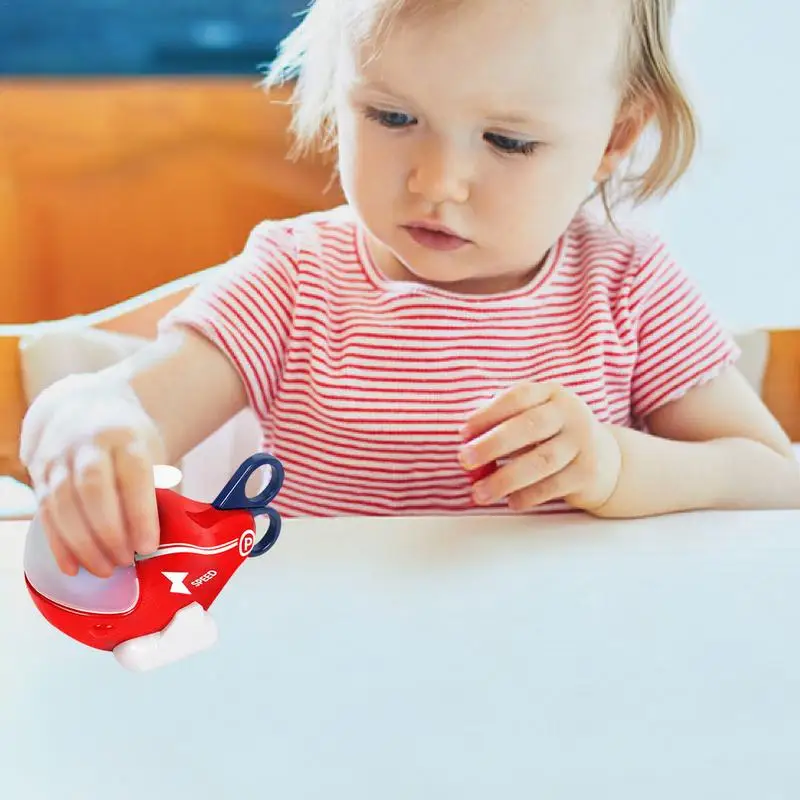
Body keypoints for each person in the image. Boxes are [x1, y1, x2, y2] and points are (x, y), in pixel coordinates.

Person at [20, 0, 800, 579]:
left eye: (509, 140)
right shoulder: (296, 280)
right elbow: (108, 395)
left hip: (569, 674)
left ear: (617, 136)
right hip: (334, 669)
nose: (436, 182)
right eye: (391, 116)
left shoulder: (629, 289)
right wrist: (89, 429)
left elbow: (772, 476)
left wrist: (618, 468)